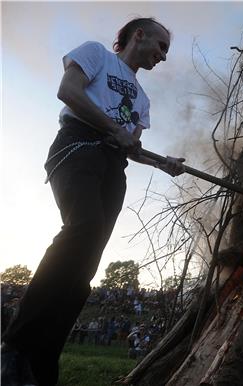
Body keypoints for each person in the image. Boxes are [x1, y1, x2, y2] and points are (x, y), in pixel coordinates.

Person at [1, 17, 185, 386]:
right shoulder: (97, 54)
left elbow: (132, 146)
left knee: (85, 267)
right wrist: (113, 128)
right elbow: (68, 91)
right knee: (83, 228)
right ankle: (14, 345)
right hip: (77, 147)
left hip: (113, 168)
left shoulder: (142, 99)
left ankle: (42, 363)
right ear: (139, 35)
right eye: (161, 46)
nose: (163, 57)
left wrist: (162, 163)